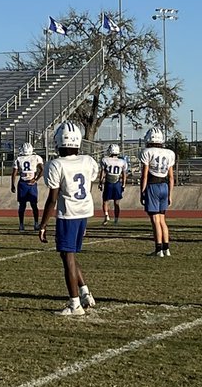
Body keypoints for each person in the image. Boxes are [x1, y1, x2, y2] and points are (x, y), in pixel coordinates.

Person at [38, 121, 99, 317]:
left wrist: (43, 224)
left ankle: (75, 305)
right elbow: (90, 182)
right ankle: (84, 293)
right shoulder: (88, 161)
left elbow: (52, 198)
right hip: (84, 211)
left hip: (69, 213)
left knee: (68, 257)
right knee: (68, 254)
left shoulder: (56, 164)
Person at [139, 127, 176, 257]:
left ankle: (158, 249)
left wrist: (142, 192)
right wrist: (170, 194)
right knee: (162, 219)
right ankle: (166, 248)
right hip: (165, 186)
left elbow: (144, 175)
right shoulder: (169, 153)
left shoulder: (147, 152)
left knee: (155, 219)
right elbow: (171, 177)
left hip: (152, 185)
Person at [11, 142, 45, 232]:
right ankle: (36, 223)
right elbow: (42, 169)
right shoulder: (36, 157)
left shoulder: (18, 158)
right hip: (31, 183)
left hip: (22, 182)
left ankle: (22, 225)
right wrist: (36, 179)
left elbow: (14, 173)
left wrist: (12, 185)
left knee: (22, 205)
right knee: (33, 205)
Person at [98, 143, 128, 225]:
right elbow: (124, 174)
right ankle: (116, 219)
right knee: (117, 202)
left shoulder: (105, 160)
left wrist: (100, 182)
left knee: (105, 201)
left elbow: (103, 172)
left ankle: (106, 216)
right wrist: (124, 184)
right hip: (117, 183)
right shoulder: (122, 161)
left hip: (108, 182)